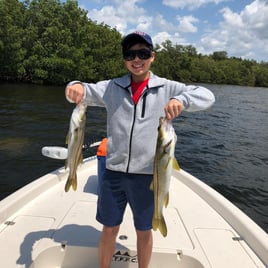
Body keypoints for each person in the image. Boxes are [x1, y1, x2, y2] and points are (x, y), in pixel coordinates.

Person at [65, 31, 215, 268]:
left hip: (148, 176)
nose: (137, 59)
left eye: (143, 53)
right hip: (113, 172)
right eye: (130, 54)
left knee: (144, 231)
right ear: (124, 59)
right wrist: (73, 86)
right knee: (109, 228)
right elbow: (84, 89)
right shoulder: (111, 87)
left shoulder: (168, 87)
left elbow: (207, 96)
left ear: (152, 56)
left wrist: (182, 101)